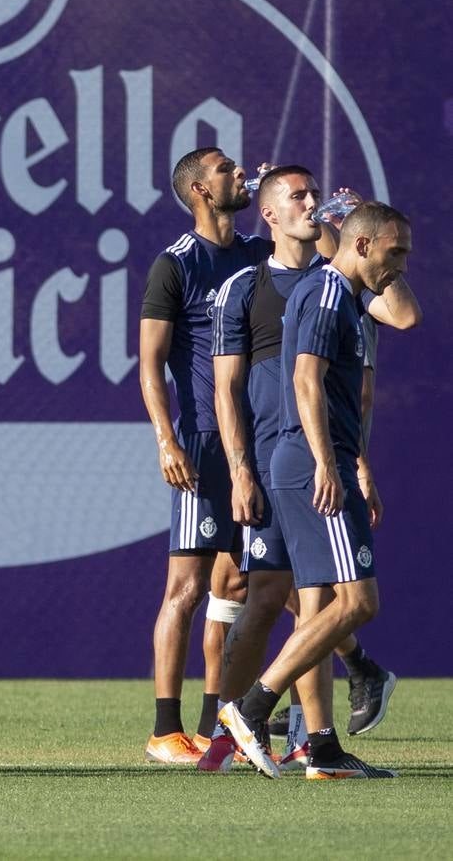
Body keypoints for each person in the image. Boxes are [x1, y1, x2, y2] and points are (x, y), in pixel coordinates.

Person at [202, 169, 419, 772]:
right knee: (347, 602)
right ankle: (244, 711)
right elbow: (302, 380)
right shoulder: (323, 293)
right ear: (361, 244)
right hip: (304, 464)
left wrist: (354, 460)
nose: (400, 264)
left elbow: (403, 319)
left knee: (320, 601)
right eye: (395, 252)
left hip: (314, 461)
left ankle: (318, 742)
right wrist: (327, 461)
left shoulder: (344, 294)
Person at [139, 148, 282, 763]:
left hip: (256, 438)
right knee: (187, 585)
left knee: (250, 579)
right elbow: (148, 363)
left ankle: (216, 724)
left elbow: (328, 256)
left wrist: (316, 206)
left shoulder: (256, 253)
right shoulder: (175, 265)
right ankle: (164, 729)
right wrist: (166, 439)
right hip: (200, 439)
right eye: (227, 169)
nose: (240, 174)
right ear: (200, 188)